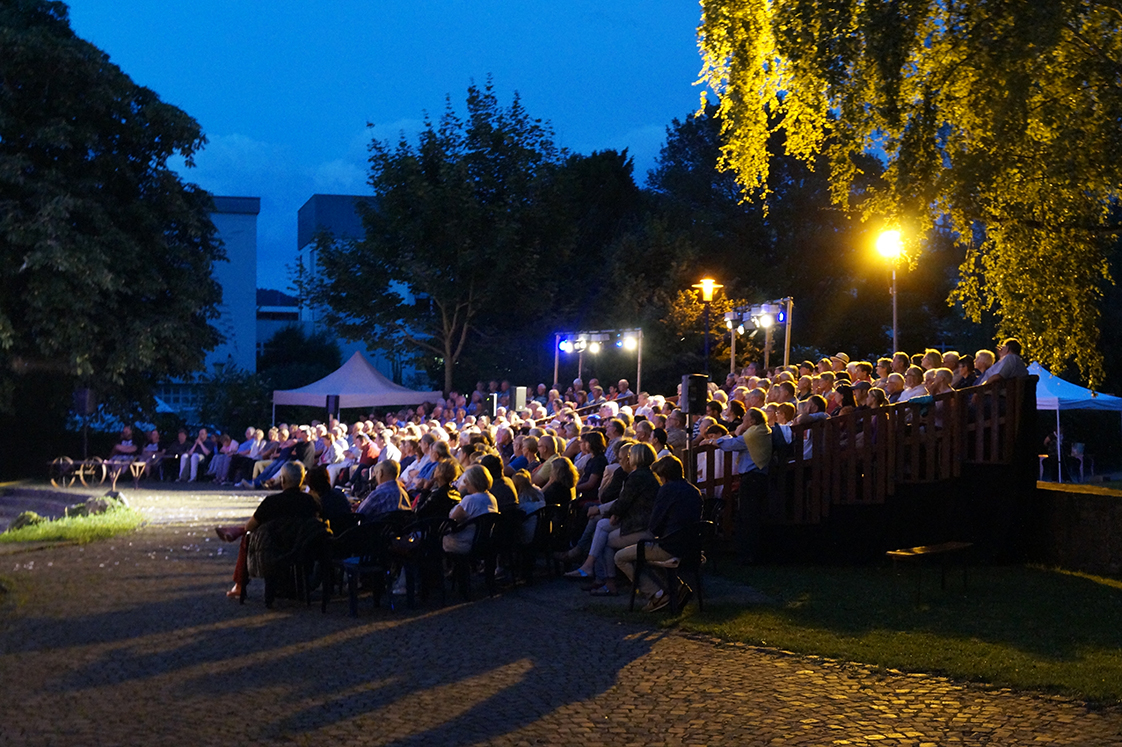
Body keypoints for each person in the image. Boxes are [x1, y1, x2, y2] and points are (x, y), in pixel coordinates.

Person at [215, 461, 321, 599]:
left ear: (282, 480)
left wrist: (245, 529)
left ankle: (239, 585)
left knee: (248, 535)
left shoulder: (272, 502)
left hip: (272, 549)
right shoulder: (311, 502)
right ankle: (236, 532)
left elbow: (250, 526)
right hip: (304, 547)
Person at [614, 454, 703, 612]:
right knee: (648, 555)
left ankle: (656, 594)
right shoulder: (694, 491)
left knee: (620, 557)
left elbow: (654, 526)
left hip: (671, 547)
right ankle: (678, 587)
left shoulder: (667, 490)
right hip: (691, 548)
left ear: (665, 476)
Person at [716, 407, 772, 564]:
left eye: (746, 418)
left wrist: (715, 441)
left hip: (752, 478)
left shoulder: (753, 435)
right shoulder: (762, 431)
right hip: (758, 478)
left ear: (752, 421)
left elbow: (730, 444)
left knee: (747, 517)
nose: (743, 420)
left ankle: (747, 555)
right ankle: (750, 553)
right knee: (751, 516)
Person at [442, 464, 499, 554]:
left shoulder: (470, 500)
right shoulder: (492, 498)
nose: (465, 483)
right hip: (482, 542)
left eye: (467, 480)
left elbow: (451, 521)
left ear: (474, 482)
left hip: (463, 542)